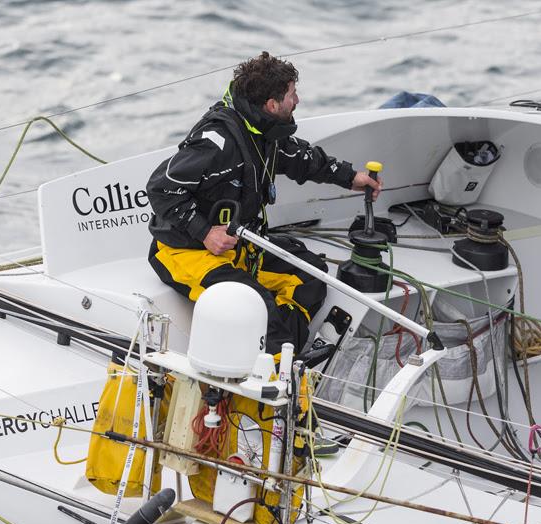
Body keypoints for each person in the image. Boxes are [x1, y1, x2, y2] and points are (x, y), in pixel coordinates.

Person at [146, 51, 381, 357]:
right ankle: (278, 374)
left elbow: (300, 158)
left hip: (238, 245)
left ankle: (285, 354)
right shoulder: (216, 141)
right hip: (187, 252)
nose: (297, 101)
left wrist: (351, 177)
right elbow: (161, 188)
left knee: (311, 277)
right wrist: (205, 232)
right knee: (258, 307)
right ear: (272, 104)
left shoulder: (263, 131)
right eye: (292, 95)